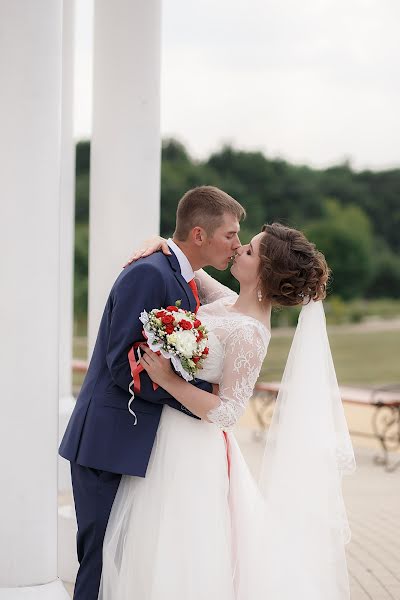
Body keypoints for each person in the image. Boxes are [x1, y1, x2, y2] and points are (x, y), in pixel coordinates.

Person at [98, 223, 355, 600]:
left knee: (180, 549)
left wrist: (170, 381)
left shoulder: (250, 333)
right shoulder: (231, 301)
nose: (239, 250)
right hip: (170, 434)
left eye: (250, 251)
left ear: (265, 274)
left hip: (193, 450)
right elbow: (194, 272)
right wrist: (165, 245)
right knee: (153, 543)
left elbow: (230, 412)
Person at [59, 186, 245, 600]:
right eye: (230, 234)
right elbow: (122, 362)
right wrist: (197, 397)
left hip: (143, 443)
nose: (237, 244)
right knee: (101, 561)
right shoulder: (150, 273)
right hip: (108, 440)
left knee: (128, 563)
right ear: (199, 235)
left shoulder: (180, 275)